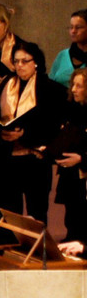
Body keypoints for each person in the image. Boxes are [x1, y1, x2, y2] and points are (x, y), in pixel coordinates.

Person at [0, 40, 61, 228]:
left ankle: (36, 244)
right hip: (8, 156)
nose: (19, 65)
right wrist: (0, 128)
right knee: (9, 207)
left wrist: (24, 134)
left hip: (35, 157)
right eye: (16, 61)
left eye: (25, 61)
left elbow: (51, 124)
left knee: (37, 208)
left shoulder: (49, 87)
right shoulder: (7, 83)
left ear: (36, 62)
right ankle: (10, 242)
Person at [51, 68, 87, 241]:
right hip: (70, 175)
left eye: (79, 86)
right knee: (71, 218)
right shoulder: (73, 111)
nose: (73, 89)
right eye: (73, 84)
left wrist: (81, 159)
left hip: (83, 173)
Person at [49, 9, 87, 88]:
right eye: (71, 27)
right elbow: (49, 83)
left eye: (78, 27)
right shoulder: (62, 55)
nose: (73, 31)